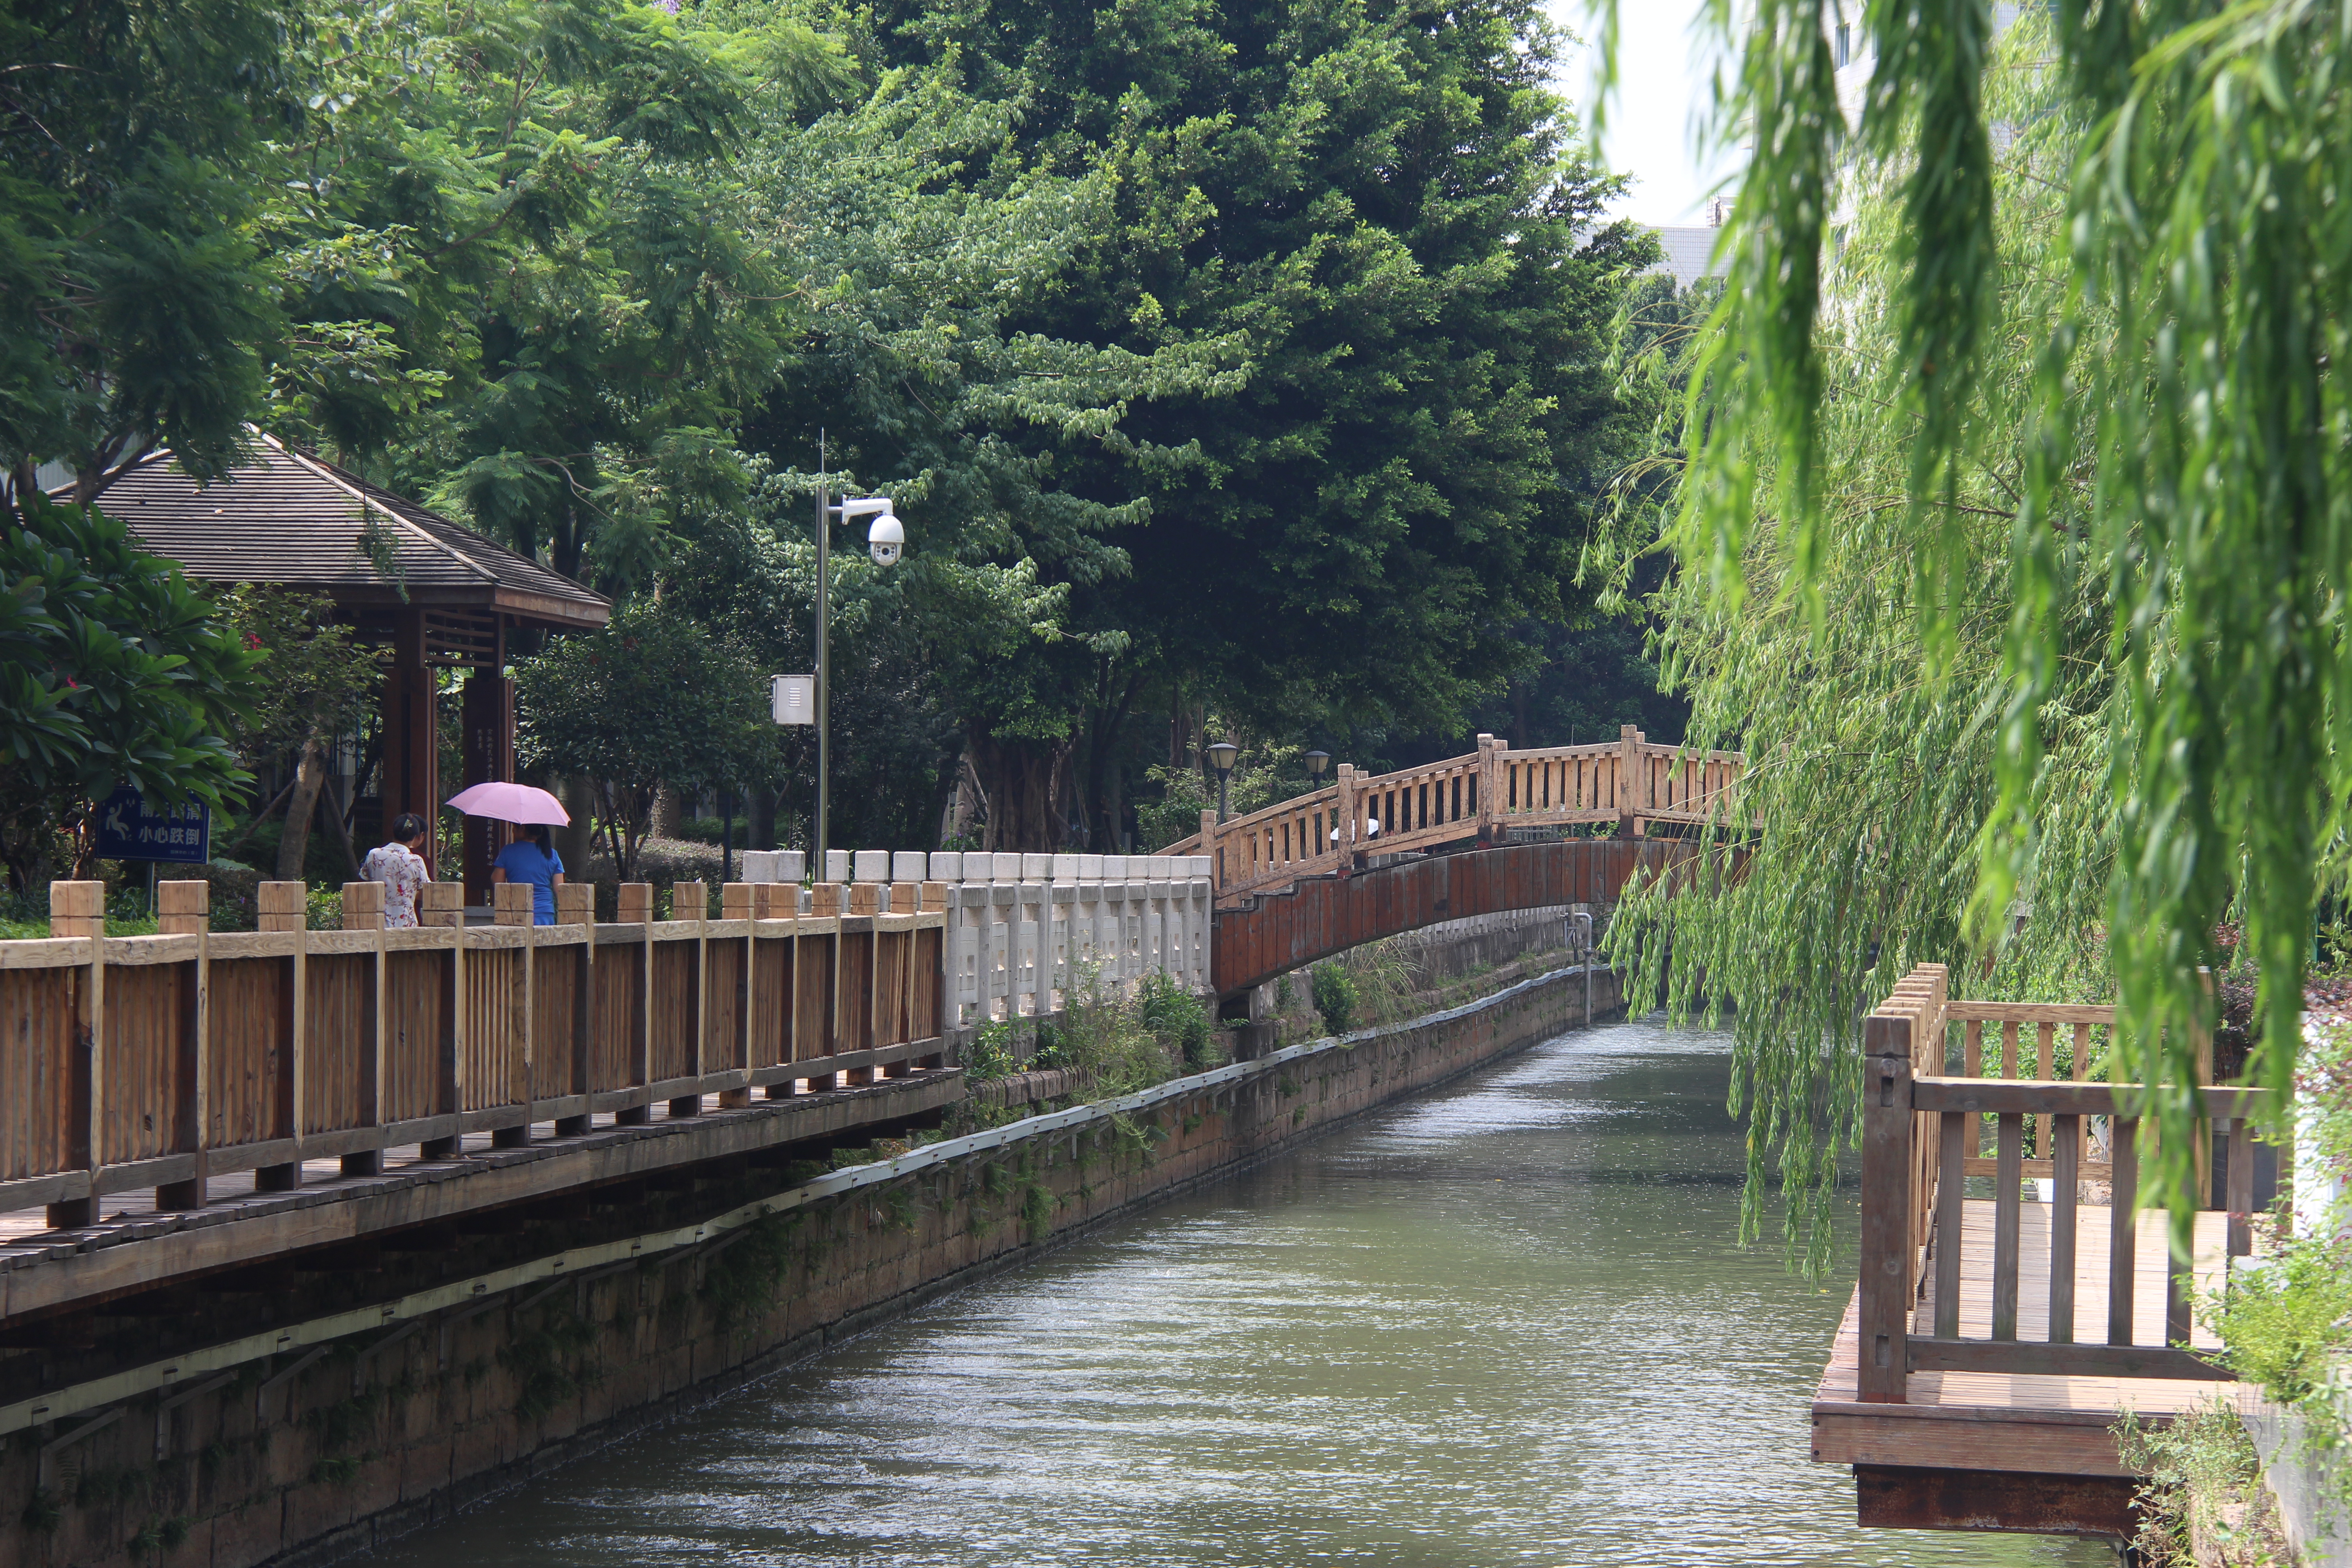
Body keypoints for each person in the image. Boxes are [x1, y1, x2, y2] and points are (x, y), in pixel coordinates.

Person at [360, 814, 433, 928]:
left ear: (393, 831)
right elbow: (428, 893)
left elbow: (363, 883)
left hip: (377, 923)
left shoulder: (374, 855)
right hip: (406, 923)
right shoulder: (416, 860)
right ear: (415, 837)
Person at [491, 823, 565, 925]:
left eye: (514, 829)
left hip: (516, 910)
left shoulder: (508, 851)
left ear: (522, 828)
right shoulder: (552, 854)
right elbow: (560, 890)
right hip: (544, 912)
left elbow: (497, 881)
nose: (513, 831)